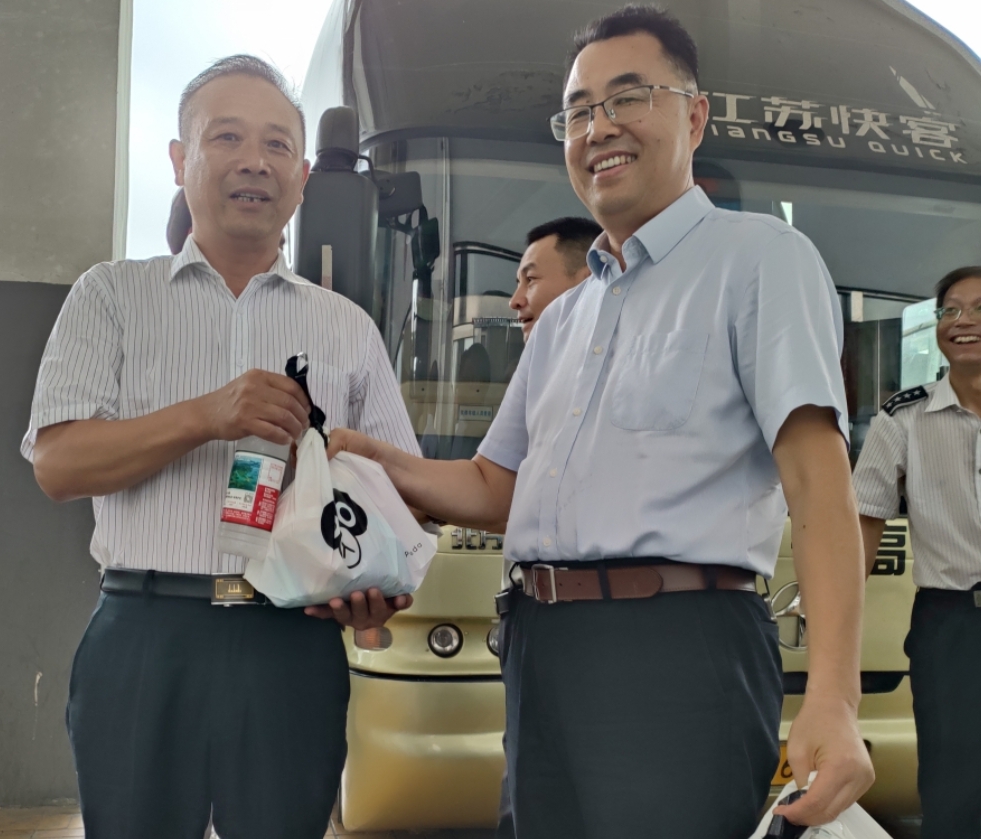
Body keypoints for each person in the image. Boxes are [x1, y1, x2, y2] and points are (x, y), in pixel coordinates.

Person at [326, 6, 874, 837]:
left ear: (694, 116)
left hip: (675, 650)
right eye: (578, 111)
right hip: (539, 649)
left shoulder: (758, 258)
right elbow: (494, 485)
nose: (598, 128)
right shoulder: (564, 318)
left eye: (627, 98)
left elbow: (817, 483)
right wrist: (370, 458)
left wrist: (834, 696)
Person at [22, 55, 421, 839]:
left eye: (276, 145)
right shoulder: (111, 295)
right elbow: (59, 466)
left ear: (302, 178)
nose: (253, 161)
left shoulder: (348, 328)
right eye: (227, 137)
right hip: (143, 635)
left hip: (290, 643)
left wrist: (376, 583)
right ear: (180, 159)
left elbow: (392, 491)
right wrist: (206, 415)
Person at [852, 267, 981, 839]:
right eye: (950, 310)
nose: (962, 321)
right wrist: (835, 624)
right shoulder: (903, 416)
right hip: (953, 627)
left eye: (978, 309)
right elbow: (864, 520)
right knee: (954, 794)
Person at [495, 215, 600, 839]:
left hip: (631, 637)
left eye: (531, 279)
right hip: (534, 627)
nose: (515, 300)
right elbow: (490, 487)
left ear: (591, 277)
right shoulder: (540, 361)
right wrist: (375, 465)